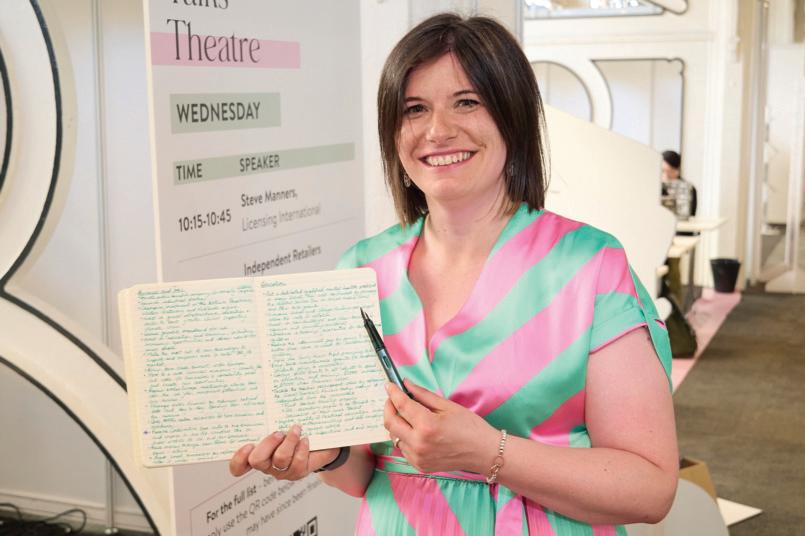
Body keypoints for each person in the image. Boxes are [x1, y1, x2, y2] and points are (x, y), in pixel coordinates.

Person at [230, 13, 679, 534]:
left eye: (467, 102)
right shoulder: (359, 270)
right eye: (414, 109)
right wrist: (326, 457)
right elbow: (364, 474)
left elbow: (650, 489)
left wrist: (488, 452)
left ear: (513, 116)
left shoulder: (591, 265)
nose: (438, 131)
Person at [661, 150, 697, 219]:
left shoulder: (689, 189)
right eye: (662, 171)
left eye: (670, 171)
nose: (666, 176)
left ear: (678, 170)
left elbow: (691, 215)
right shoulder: (654, 188)